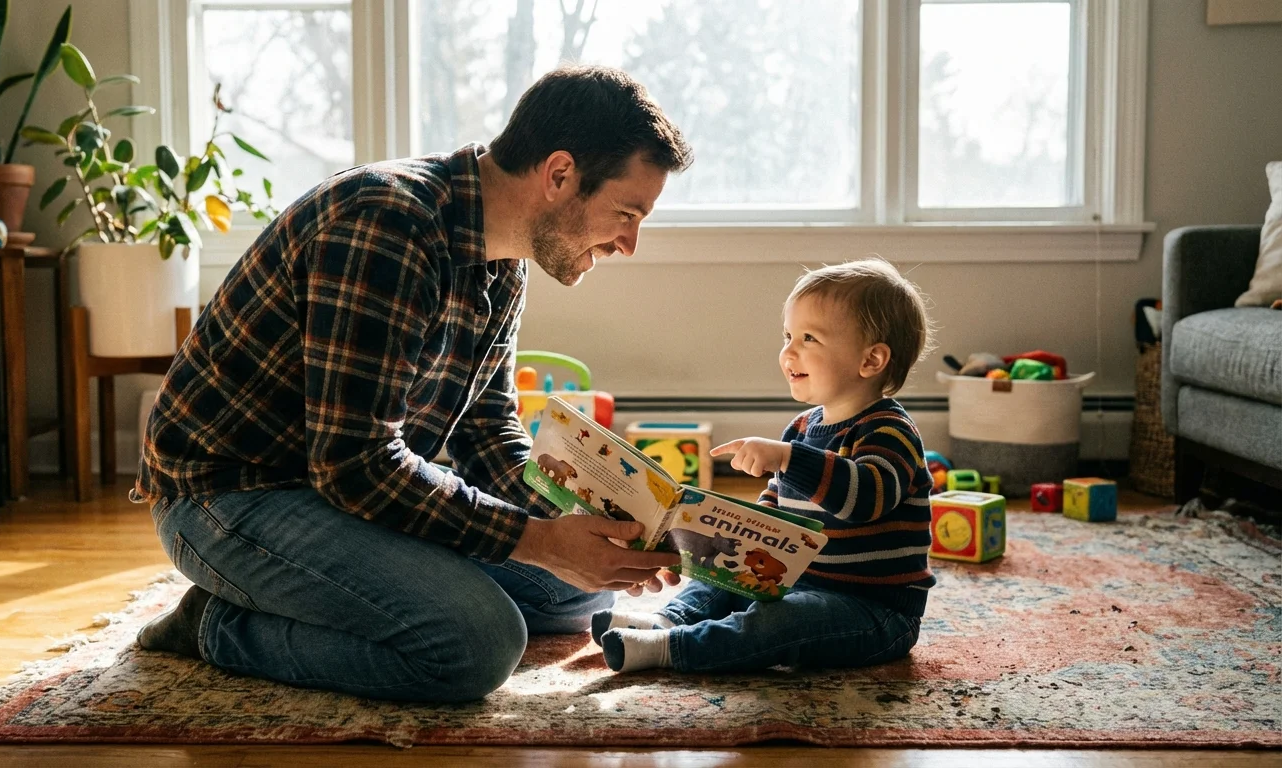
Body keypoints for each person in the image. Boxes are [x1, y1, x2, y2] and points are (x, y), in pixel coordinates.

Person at [131, 65, 693, 702]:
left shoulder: (504, 259)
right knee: (476, 645)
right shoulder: (384, 224)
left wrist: (594, 519)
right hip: (235, 495)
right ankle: (216, 624)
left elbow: (486, 429)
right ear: (559, 175)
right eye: (625, 213)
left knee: (586, 584)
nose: (629, 243)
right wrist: (538, 539)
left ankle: (330, 594)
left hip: (341, 496)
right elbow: (355, 466)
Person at [592, 257, 937, 673]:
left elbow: (863, 499)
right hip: (792, 582)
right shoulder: (801, 428)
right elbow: (774, 514)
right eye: (788, 335)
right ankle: (668, 619)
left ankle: (673, 648)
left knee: (781, 622)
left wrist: (790, 458)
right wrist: (716, 531)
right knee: (719, 579)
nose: (789, 351)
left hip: (872, 610)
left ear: (871, 361)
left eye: (809, 338)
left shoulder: (889, 430)